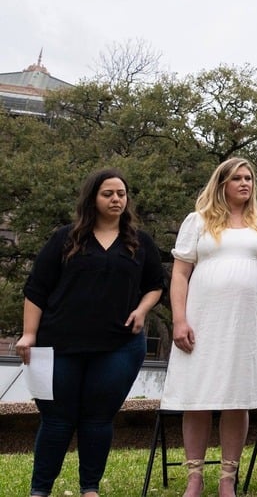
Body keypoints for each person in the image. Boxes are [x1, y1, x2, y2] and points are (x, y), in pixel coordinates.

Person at [15, 169, 165, 497]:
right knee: (57, 421)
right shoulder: (66, 238)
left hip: (119, 347)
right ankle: (40, 490)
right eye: (107, 194)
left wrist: (141, 310)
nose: (115, 199)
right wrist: (29, 334)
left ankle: (90, 489)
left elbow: (155, 285)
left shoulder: (140, 242)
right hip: (59, 346)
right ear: (92, 198)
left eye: (121, 194)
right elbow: (36, 289)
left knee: (98, 420)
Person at [161, 157, 257, 497]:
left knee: (238, 398)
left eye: (248, 178)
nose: (245, 183)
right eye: (237, 178)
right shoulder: (197, 221)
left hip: (247, 324)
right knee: (198, 397)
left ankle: (227, 478)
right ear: (222, 184)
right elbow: (179, 273)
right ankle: (194, 477)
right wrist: (179, 318)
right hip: (203, 321)